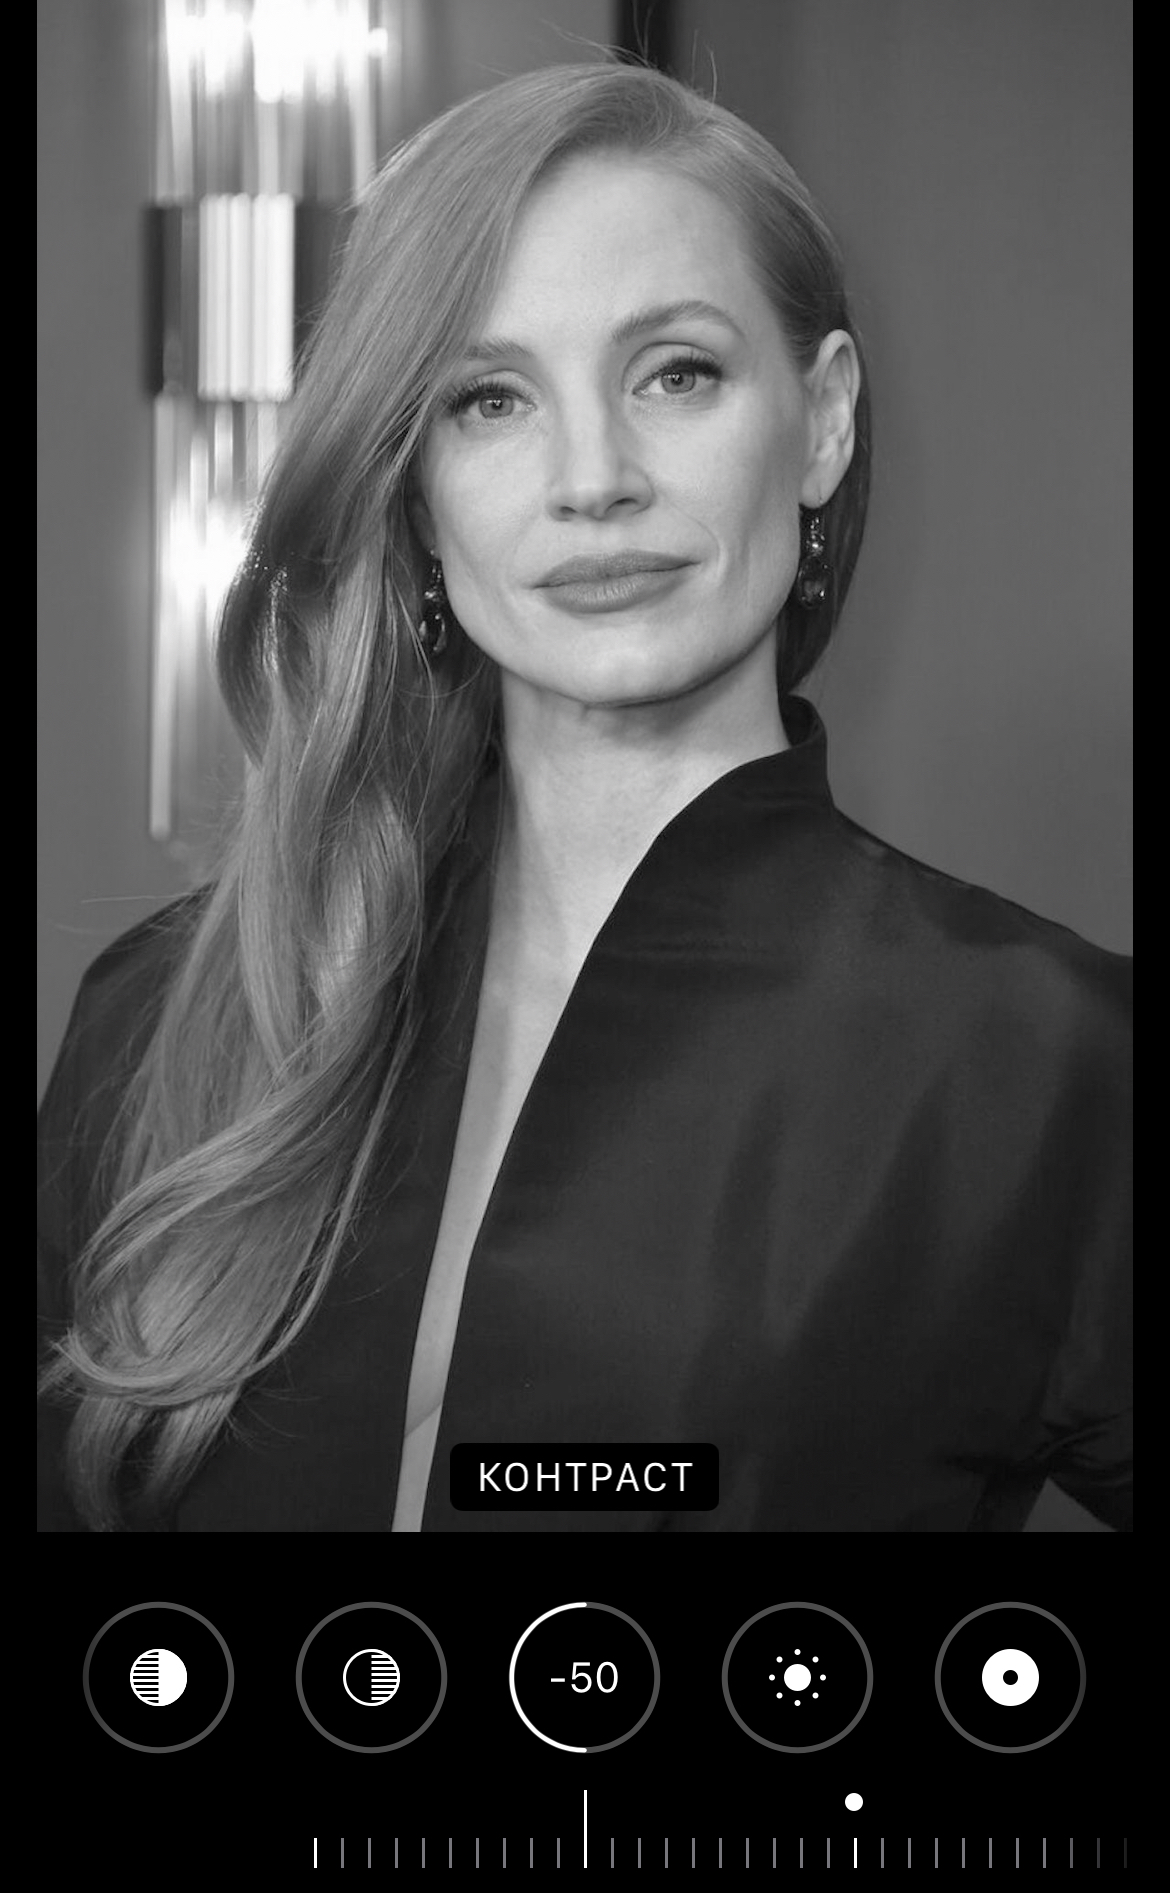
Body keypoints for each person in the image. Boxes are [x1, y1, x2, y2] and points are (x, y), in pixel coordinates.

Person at [37, 55, 1130, 1534]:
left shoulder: (1042, 1067)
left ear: (820, 422)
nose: (593, 477)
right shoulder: (162, 1018)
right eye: (489, 399)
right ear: (416, 488)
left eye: (676, 373)